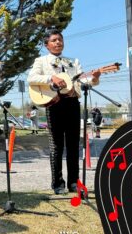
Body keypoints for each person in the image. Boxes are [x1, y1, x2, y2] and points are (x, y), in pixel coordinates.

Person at [27, 29, 100, 195]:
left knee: (74, 145)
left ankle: (74, 183)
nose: (58, 42)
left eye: (60, 39)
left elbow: (83, 81)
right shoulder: (41, 61)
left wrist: (95, 78)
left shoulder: (73, 61)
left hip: (73, 104)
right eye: (54, 40)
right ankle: (58, 183)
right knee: (56, 146)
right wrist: (50, 78)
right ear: (47, 45)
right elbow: (31, 78)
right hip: (54, 105)